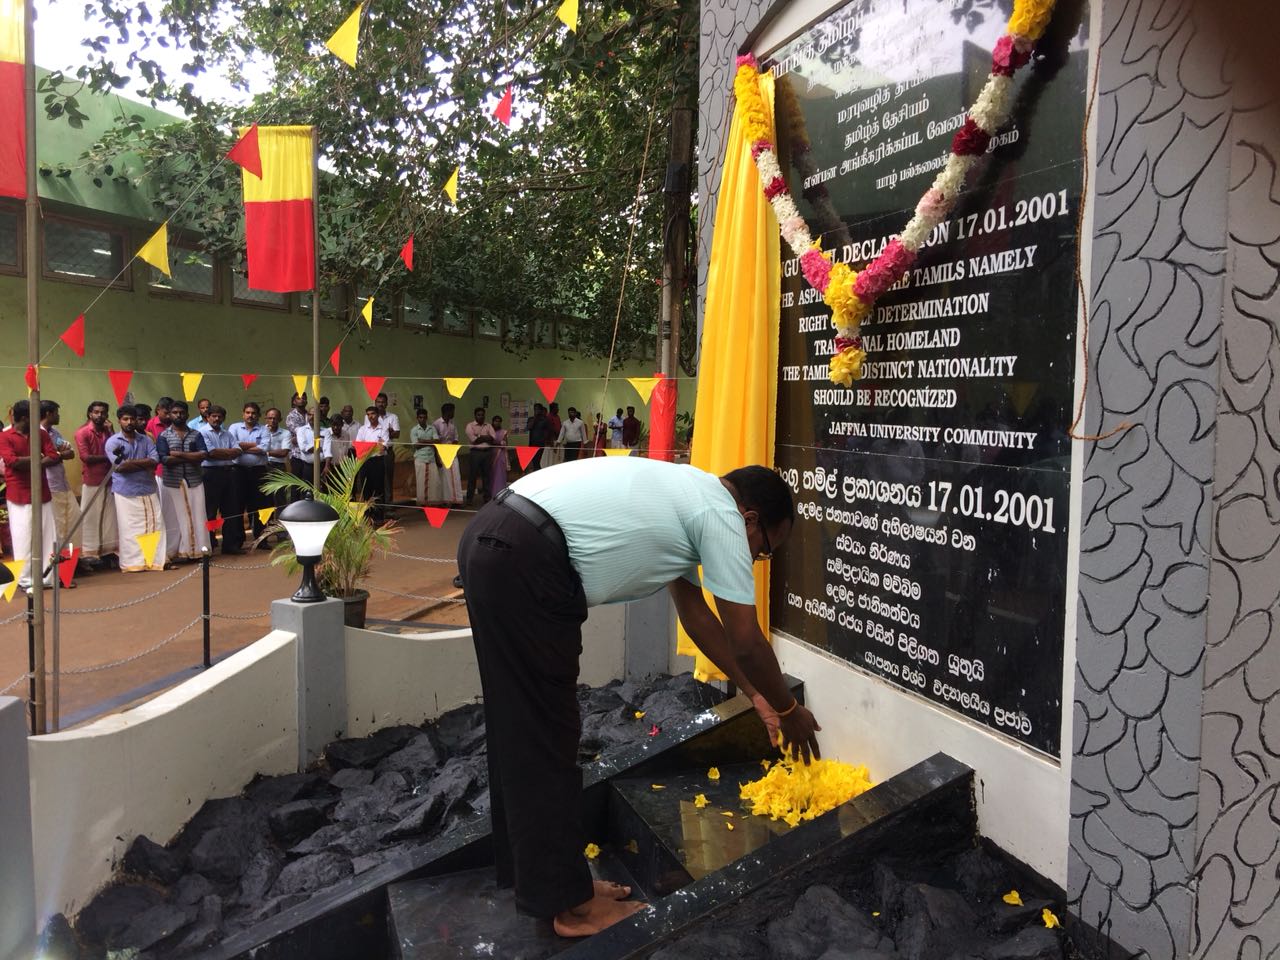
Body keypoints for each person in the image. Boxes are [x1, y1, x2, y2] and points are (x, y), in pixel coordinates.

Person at [456, 459, 819, 936]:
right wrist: (790, 710)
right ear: (749, 518)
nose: (754, 558)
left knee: (521, 728)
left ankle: (550, 885)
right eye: (765, 550)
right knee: (548, 736)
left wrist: (756, 696)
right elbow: (747, 640)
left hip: (492, 537)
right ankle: (574, 907)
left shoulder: (690, 495)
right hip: (530, 557)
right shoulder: (722, 515)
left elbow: (697, 619)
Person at [0, 400, 59, 588]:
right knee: (23, 539)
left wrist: (34, 461)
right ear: (25, 417)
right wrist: (40, 458)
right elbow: (12, 462)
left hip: (42, 493)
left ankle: (47, 578)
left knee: (48, 537)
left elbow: (54, 456)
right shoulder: (5, 436)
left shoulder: (40, 433)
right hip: (18, 495)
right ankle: (26, 581)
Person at [104, 405, 167, 572]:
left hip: (148, 487)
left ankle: (153, 561)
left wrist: (132, 463)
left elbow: (155, 460)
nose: (129, 422)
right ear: (119, 421)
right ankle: (133, 564)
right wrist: (143, 463)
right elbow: (120, 468)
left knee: (155, 525)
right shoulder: (113, 442)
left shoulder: (146, 439)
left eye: (132, 418)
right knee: (130, 529)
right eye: (125, 419)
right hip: (126, 491)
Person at [155, 400, 210, 561]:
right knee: (175, 517)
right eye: (175, 412)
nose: (178, 415)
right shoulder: (163, 436)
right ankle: (178, 551)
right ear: (170, 414)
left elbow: (203, 455)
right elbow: (164, 459)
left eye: (181, 412)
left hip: (194, 480)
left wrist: (178, 454)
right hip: (173, 482)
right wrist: (191, 457)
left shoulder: (196, 434)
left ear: (187, 414)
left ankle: (200, 551)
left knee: (198, 515)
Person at [75, 401, 118, 568]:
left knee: (109, 517)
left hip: (111, 479)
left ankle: (107, 552)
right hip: (93, 480)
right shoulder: (83, 432)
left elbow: (118, 447)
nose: (99, 415)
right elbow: (86, 457)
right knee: (90, 517)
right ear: (89, 414)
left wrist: (112, 431)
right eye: (96, 412)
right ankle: (90, 552)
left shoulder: (108, 432)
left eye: (103, 413)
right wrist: (110, 457)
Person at [197, 405, 244, 554]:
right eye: (213, 416)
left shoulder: (227, 434)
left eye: (219, 416)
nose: (217, 419)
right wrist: (228, 453)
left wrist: (223, 453)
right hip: (210, 474)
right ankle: (210, 545)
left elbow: (238, 451)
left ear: (223, 418)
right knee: (210, 511)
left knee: (231, 510)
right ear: (208, 417)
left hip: (229, 474)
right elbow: (210, 453)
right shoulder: (202, 433)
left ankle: (230, 545)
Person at [39, 401, 81, 562]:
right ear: (49, 414)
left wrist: (56, 455)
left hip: (63, 484)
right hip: (49, 487)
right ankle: (55, 564)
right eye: (56, 412)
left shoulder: (55, 432)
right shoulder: (36, 433)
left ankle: (68, 562)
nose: (58, 416)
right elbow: (41, 461)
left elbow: (70, 453)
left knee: (72, 523)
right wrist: (59, 455)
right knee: (56, 527)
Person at [229, 402, 271, 545]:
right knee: (238, 505)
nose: (250, 415)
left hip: (258, 472)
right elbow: (233, 445)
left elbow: (264, 448)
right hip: (238, 472)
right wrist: (254, 446)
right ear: (243, 414)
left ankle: (260, 539)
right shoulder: (234, 427)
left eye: (253, 413)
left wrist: (242, 447)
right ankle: (238, 540)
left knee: (259, 506)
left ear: (258, 415)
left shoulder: (264, 430)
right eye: (247, 412)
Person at [355, 405, 389, 517]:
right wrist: (374, 445)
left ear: (378, 415)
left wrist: (368, 446)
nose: (371, 416)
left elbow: (382, 448)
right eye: (368, 414)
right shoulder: (362, 429)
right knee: (366, 488)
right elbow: (359, 446)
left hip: (378, 462)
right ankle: (368, 514)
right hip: (365, 462)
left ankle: (379, 515)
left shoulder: (383, 429)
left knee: (378, 488)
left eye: (373, 414)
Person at [370, 392, 401, 505]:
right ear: (375, 403)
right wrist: (387, 431)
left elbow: (397, 434)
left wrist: (381, 433)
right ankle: (376, 506)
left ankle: (388, 507)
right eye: (378, 402)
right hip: (373, 453)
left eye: (383, 402)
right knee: (375, 480)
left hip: (387, 453)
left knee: (388, 480)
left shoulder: (393, 417)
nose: (380, 404)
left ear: (387, 403)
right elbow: (370, 433)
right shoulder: (370, 416)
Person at [432, 404, 464, 505]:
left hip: (452, 452)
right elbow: (435, 442)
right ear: (447, 412)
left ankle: (457, 500)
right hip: (441, 453)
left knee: (455, 476)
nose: (454, 413)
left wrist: (453, 449)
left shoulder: (452, 424)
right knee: (445, 478)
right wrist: (437, 458)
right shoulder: (436, 424)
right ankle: (446, 500)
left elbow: (456, 438)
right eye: (452, 411)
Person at [465, 406, 496, 505]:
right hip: (475, 453)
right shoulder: (470, 426)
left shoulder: (489, 426)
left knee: (486, 476)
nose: (481, 417)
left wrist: (479, 437)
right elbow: (474, 440)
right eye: (479, 415)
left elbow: (493, 438)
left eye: (482, 415)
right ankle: (469, 499)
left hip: (487, 453)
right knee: (472, 476)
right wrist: (485, 437)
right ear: (475, 416)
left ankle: (487, 498)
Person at [410, 408, 439, 507]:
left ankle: (432, 503)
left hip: (431, 458)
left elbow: (437, 442)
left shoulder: (432, 428)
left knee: (433, 482)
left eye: (424, 417)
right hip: (420, 458)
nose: (422, 419)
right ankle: (422, 503)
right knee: (421, 482)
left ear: (427, 418)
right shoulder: (414, 430)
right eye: (420, 417)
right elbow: (416, 445)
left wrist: (422, 440)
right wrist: (429, 441)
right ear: (417, 418)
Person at [489, 414, 510, 496]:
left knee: (500, 473)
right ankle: (491, 492)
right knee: (492, 473)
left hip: (500, 454)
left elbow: (505, 444)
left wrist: (498, 443)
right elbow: (489, 442)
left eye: (499, 421)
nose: (497, 423)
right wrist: (498, 443)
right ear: (492, 422)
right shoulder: (490, 432)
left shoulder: (504, 432)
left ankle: (500, 491)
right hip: (491, 454)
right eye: (495, 421)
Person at [526, 403, 551, 472]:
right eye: (535, 409)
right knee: (534, 462)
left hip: (540, 443)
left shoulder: (545, 420)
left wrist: (546, 441)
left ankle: (539, 474)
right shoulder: (531, 419)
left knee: (537, 461)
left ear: (541, 410)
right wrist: (534, 419)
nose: (536, 411)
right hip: (532, 443)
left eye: (538, 409)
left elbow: (548, 432)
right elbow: (528, 428)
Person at [545, 402, 563, 467]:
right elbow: (550, 430)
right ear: (553, 409)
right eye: (557, 408)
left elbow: (560, 427)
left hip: (558, 440)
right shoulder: (548, 417)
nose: (558, 409)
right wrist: (551, 441)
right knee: (551, 460)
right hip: (552, 441)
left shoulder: (557, 417)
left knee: (557, 459)